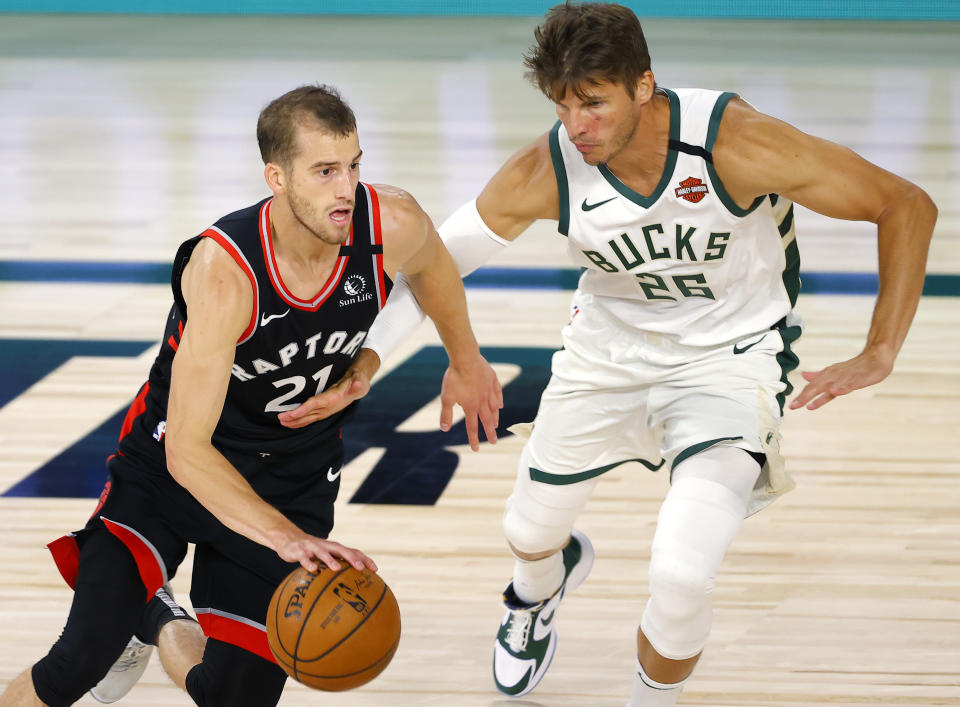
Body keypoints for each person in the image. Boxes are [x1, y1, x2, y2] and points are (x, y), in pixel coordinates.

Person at [312, 3, 937, 704]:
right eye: (564, 105)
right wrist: (367, 359)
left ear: (644, 86)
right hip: (605, 357)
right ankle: (536, 592)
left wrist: (881, 349)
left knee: (681, 572)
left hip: (729, 359)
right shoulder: (546, 169)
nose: (577, 125)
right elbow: (434, 262)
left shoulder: (736, 144)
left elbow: (905, 203)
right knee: (527, 529)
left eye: (595, 103)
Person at [0, 84, 502, 707]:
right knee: (76, 664)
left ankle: (155, 619)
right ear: (278, 178)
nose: (346, 188)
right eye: (324, 172)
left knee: (232, 697)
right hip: (173, 468)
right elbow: (187, 451)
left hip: (291, 473)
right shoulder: (224, 270)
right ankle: (135, 609)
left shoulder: (389, 222)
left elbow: (433, 269)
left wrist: (464, 357)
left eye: (353, 166)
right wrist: (286, 540)